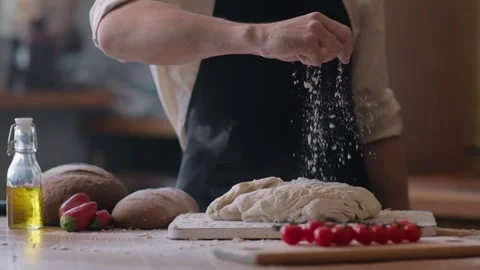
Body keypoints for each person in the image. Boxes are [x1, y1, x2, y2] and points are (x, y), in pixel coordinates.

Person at [90, 0, 409, 211]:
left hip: (343, 224)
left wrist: (404, 230)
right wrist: (258, 37)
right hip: (216, 216)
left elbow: (374, 114)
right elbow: (114, 29)